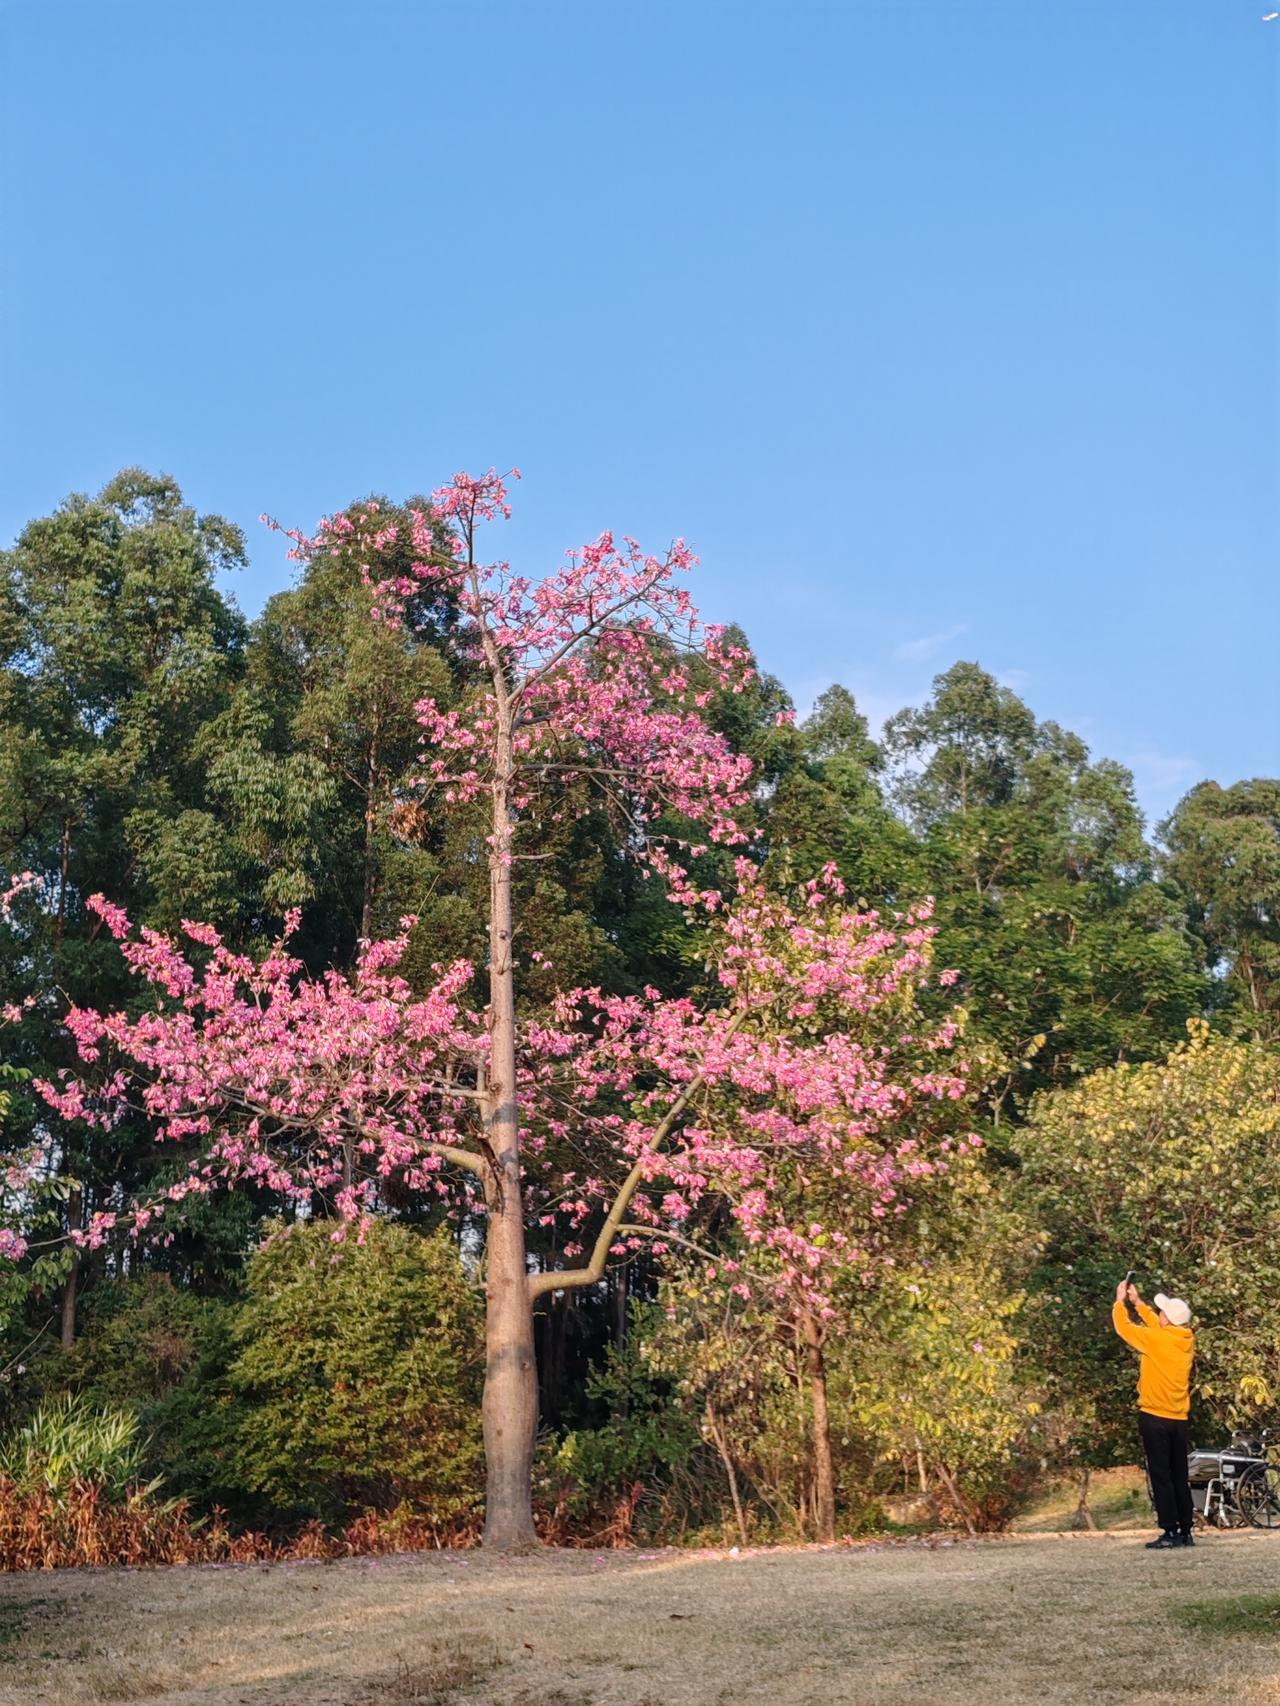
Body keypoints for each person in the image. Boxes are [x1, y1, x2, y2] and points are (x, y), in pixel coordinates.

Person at [1112, 1280, 1196, 1549]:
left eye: (1161, 1312)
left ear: (1167, 1320)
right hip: (1178, 1419)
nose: (1158, 1314)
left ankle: (1169, 1531)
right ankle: (1185, 1530)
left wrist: (1120, 1303)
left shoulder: (1156, 1339)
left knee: (1161, 1475)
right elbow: (1156, 1326)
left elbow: (1124, 1328)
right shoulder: (1185, 1340)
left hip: (1155, 1416)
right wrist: (1139, 1303)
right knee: (1178, 1475)